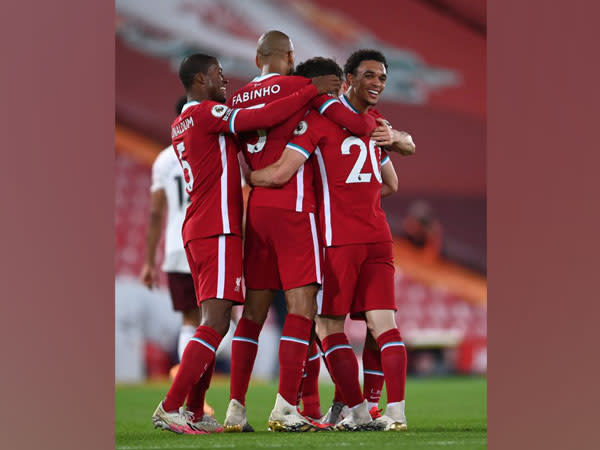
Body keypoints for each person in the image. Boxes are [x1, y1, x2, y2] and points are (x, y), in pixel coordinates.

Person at [150, 52, 341, 435]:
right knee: (217, 322)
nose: (226, 82)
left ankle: (196, 410)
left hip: (200, 229)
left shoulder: (181, 122)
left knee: (214, 321)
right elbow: (262, 117)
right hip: (216, 228)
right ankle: (170, 407)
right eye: (220, 75)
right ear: (201, 79)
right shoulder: (206, 114)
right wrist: (308, 89)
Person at [249, 50, 412, 431]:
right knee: (383, 325)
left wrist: (249, 179)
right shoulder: (374, 124)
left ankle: (355, 411)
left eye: (381, 78)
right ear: (349, 80)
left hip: (338, 240)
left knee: (327, 326)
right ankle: (395, 412)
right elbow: (391, 184)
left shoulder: (316, 124)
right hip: (379, 235)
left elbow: (280, 173)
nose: (377, 84)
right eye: (370, 76)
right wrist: (362, 194)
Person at [223, 31, 377, 433]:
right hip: (293, 209)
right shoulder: (303, 88)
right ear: (290, 56)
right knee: (302, 310)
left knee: (252, 316)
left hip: (256, 209)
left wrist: (251, 177)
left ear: (257, 58)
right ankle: (284, 406)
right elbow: (357, 123)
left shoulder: (235, 100)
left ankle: (236, 408)